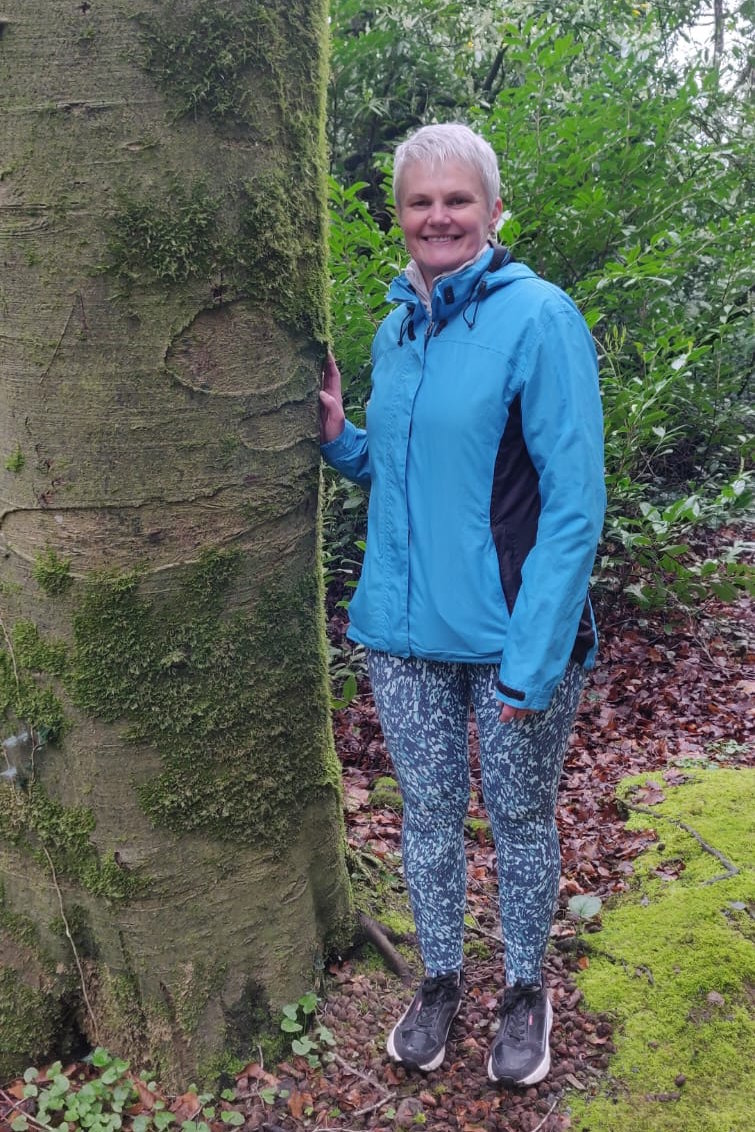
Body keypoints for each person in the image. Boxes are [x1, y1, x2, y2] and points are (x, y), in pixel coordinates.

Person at [320, 123, 605, 1088]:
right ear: (399, 215)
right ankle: (439, 977)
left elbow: (574, 507)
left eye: (456, 199)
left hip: (509, 641)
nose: (436, 216)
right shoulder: (396, 329)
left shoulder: (538, 318)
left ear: (490, 210)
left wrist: (535, 658)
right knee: (431, 817)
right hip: (402, 638)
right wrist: (341, 439)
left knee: (520, 817)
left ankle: (525, 992)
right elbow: (408, 473)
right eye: (418, 200)